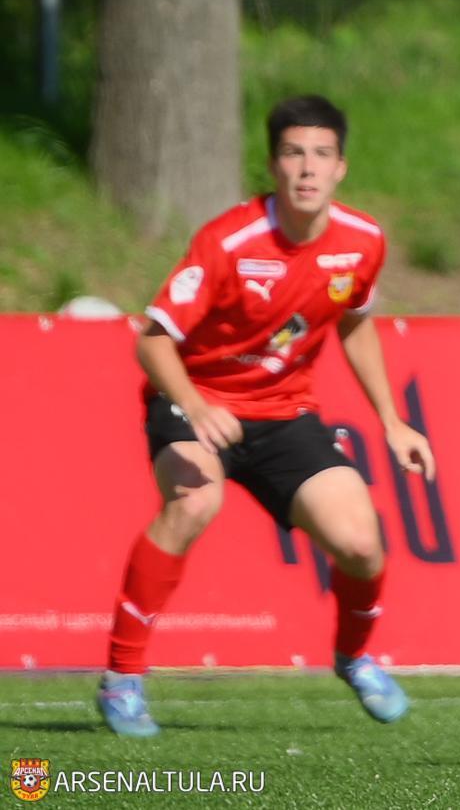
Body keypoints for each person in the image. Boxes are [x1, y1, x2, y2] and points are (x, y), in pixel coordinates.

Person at [97, 95, 437, 738]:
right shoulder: (228, 240)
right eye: (293, 153)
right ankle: (122, 677)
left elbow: (355, 323)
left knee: (362, 544)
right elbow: (154, 341)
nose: (307, 168)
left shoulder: (362, 241)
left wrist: (392, 421)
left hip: (284, 413)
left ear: (341, 167)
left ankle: (354, 658)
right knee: (194, 502)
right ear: (274, 164)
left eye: (321, 154)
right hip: (192, 400)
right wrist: (197, 406)